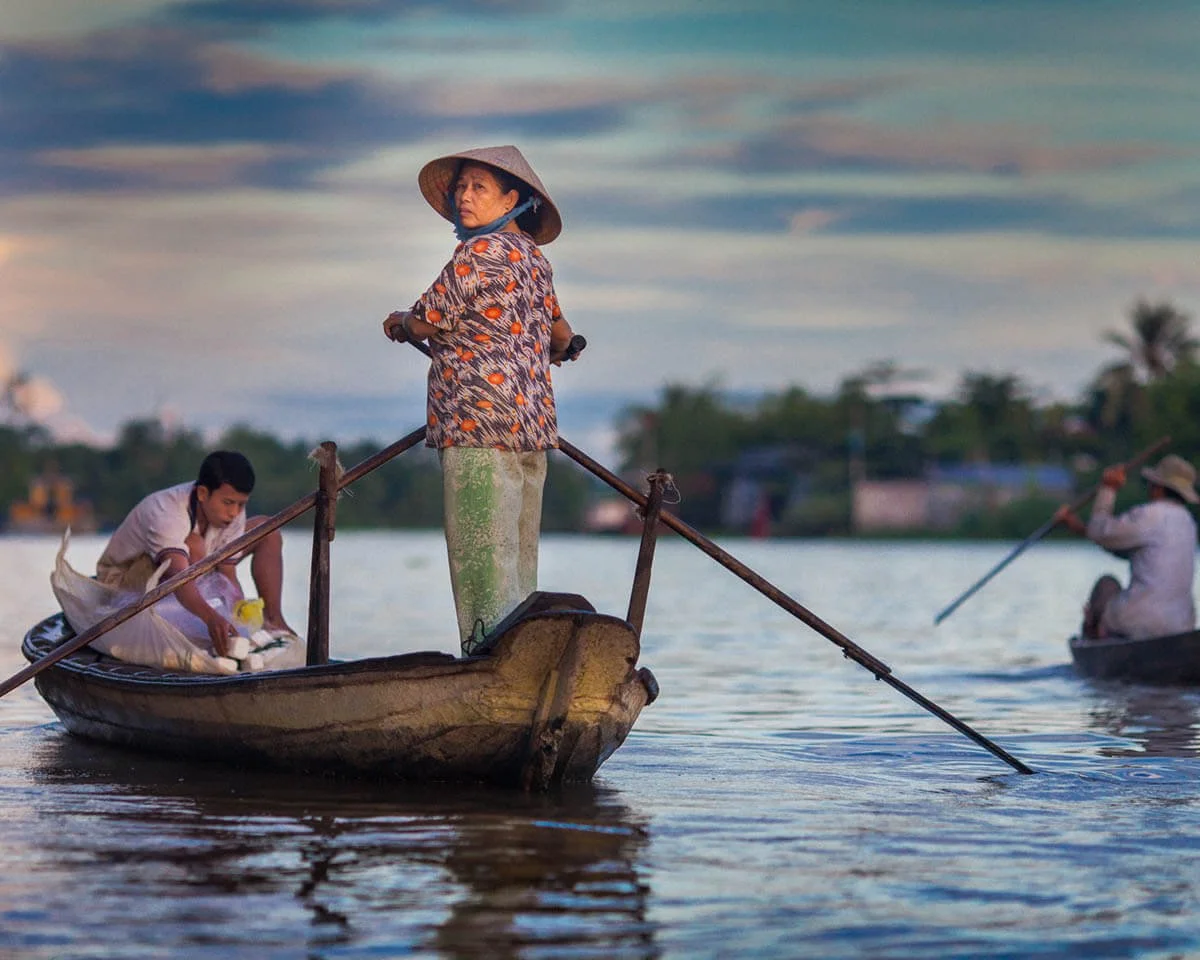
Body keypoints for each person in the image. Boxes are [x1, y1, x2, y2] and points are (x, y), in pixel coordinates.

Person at [382, 145, 577, 654]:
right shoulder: (538, 262)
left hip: (477, 431)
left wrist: (400, 323)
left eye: (479, 188)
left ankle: (490, 667)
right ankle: (523, 664)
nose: (464, 198)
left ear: (512, 199)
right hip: (531, 434)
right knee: (517, 566)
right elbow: (563, 335)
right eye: (461, 187)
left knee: (482, 571)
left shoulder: (476, 254)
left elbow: (426, 319)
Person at [93, 450, 296, 656]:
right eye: (228, 503)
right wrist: (211, 617)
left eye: (241, 504)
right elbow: (179, 577)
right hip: (125, 580)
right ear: (202, 494)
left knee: (268, 531)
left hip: (192, 565)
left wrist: (239, 616)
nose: (234, 513)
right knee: (195, 545)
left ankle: (274, 622)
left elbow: (227, 573)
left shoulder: (230, 511)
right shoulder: (166, 512)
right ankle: (206, 627)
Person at [1055, 453, 1198, 640]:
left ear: (1158, 488)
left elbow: (1100, 532)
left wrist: (1108, 489)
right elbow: (1122, 546)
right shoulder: (1189, 523)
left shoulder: (1149, 515)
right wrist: (1078, 528)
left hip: (1139, 621)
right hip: (1181, 626)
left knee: (1106, 585)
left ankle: (1094, 639)